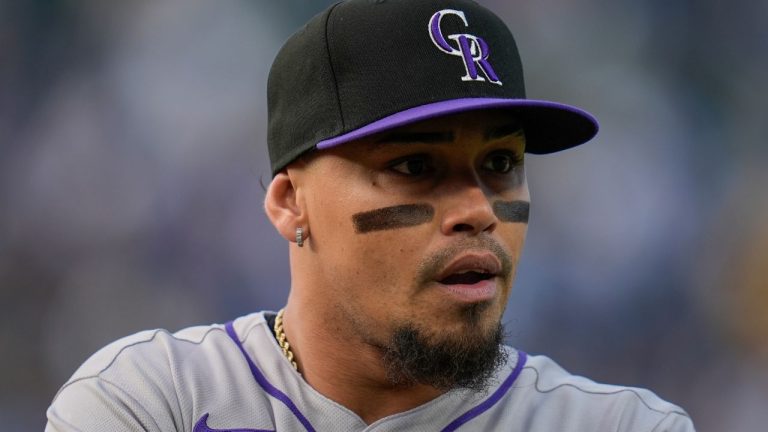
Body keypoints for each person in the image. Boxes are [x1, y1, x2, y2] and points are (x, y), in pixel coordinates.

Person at [46, 0, 695, 430]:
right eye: (414, 167)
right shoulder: (153, 403)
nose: (477, 210)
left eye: (499, 163)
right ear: (288, 203)